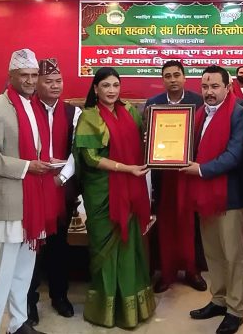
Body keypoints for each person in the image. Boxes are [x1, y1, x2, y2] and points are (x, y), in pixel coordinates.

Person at [0, 49, 54, 334]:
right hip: (7, 201)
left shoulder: (35, 107)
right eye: (24, 75)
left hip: (33, 201)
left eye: (34, 75)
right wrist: (27, 166)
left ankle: (19, 323)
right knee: (0, 274)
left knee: (23, 271)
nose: (30, 81)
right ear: (11, 75)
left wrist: (46, 164)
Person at [73, 67, 156, 328]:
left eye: (116, 85)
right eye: (106, 85)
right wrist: (126, 168)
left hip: (131, 189)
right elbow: (90, 158)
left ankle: (133, 308)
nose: (111, 91)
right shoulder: (89, 117)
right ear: (95, 89)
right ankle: (106, 310)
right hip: (102, 192)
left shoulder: (130, 111)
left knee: (131, 247)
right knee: (105, 250)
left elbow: (144, 141)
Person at [183, 65, 243, 334]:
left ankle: (236, 309)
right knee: (213, 251)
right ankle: (219, 299)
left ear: (227, 87)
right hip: (205, 195)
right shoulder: (199, 114)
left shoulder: (239, 113)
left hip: (229, 195)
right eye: (204, 87)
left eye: (214, 86)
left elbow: (235, 155)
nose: (209, 92)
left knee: (233, 254)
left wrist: (200, 169)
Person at [26, 58, 82, 324]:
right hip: (31, 186)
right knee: (32, 245)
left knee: (59, 244)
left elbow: (76, 150)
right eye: (48, 81)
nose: (55, 86)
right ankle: (29, 301)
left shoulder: (73, 112)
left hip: (61, 187)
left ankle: (60, 296)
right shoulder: (26, 109)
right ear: (37, 83)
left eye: (58, 81)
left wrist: (61, 178)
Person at [144, 60, 206, 293]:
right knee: (166, 221)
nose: (172, 79)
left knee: (190, 222)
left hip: (190, 172)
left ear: (184, 77)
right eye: (168, 76)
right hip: (163, 173)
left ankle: (192, 270)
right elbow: (147, 136)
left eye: (176, 75)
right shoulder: (153, 104)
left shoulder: (198, 102)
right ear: (163, 80)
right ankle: (167, 271)